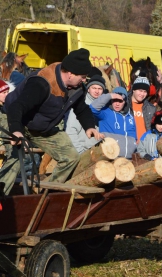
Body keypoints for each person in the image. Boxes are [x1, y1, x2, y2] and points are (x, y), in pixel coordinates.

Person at [0, 48, 102, 195]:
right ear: (70, 73)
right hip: (15, 118)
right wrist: (16, 130)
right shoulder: (42, 83)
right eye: (83, 76)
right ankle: (1, 197)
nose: (85, 80)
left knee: (71, 157)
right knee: (17, 156)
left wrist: (89, 126)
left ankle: (46, 192)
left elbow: (82, 108)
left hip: (42, 126)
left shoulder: (77, 86)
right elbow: (17, 106)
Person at [90, 87, 137, 158]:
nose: (117, 104)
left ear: (125, 102)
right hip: (109, 156)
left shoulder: (130, 117)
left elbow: (134, 137)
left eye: (120, 101)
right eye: (115, 100)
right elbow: (92, 108)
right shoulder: (105, 112)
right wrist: (109, 95)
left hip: (128, 158)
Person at [66, 74, 107, 153]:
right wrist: (79, 152)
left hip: (98, 150)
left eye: (100, 88)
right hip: (83, 150)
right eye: (94, 88)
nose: (97, 91)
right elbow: (71, 131)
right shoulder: (80, 106)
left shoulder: (105, 106)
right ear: (88, 89)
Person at [129, 75, 156, 141]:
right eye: (140, 91)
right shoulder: (124, 104)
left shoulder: (151, 108)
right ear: (134, 90)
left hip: (145, 144)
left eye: (145, 91)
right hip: (129, 143)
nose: (142, 94)